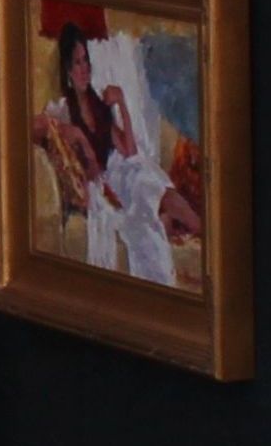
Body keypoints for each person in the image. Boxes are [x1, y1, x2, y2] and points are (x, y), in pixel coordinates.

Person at [32, 22, 200, 286]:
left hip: (124, 170)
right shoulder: (62, 110)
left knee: (146, 179)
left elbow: (129, 150)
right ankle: (188, 230)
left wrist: (122, 104)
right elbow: (33, 126)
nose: (84, 69)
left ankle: (200, 230)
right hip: (105, 182)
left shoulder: (99, 104)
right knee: (146, 193)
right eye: (77, 63)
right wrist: (74, 134)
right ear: (67, 70)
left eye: (86, 61)